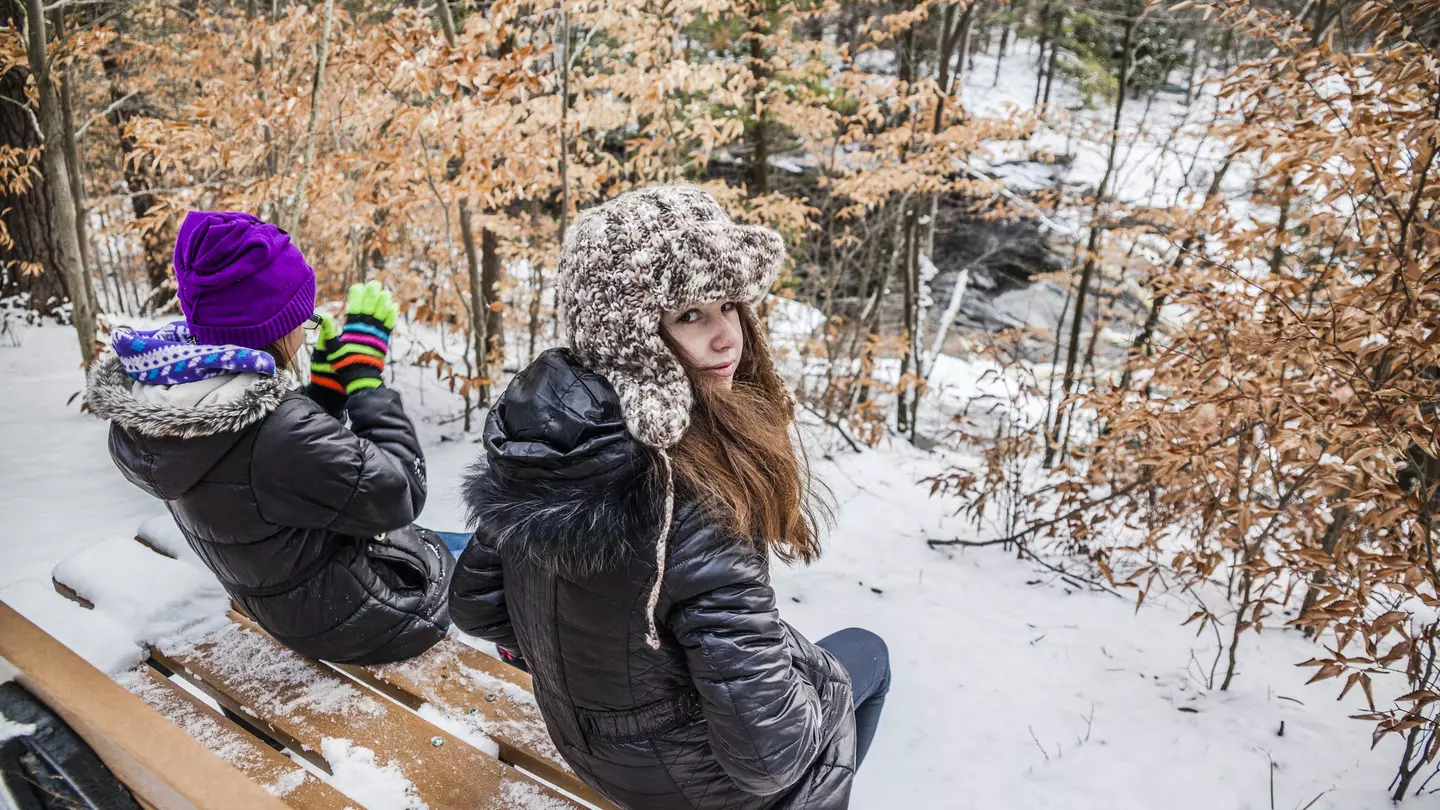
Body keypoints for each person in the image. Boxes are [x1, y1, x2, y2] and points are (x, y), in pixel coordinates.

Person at [448, 186, 890, 809]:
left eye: (729, 306)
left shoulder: (556, 434)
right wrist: (817, 684)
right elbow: (771, 756)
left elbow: (478, 606)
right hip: (689, 788)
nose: (727, 339)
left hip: (591, 747)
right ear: (627, 332)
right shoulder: (694, 497)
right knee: (865, 661)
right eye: (689, 315)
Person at [87, 211, 452, 665]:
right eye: (302, 317)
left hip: (273, 596)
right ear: (275, 327)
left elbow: (265, 473)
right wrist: (365, 385)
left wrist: (321, 396)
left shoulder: (170, 393)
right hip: (362, 622)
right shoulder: (276, 430)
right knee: (449, 554)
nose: (304, 330)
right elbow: (399, 491)